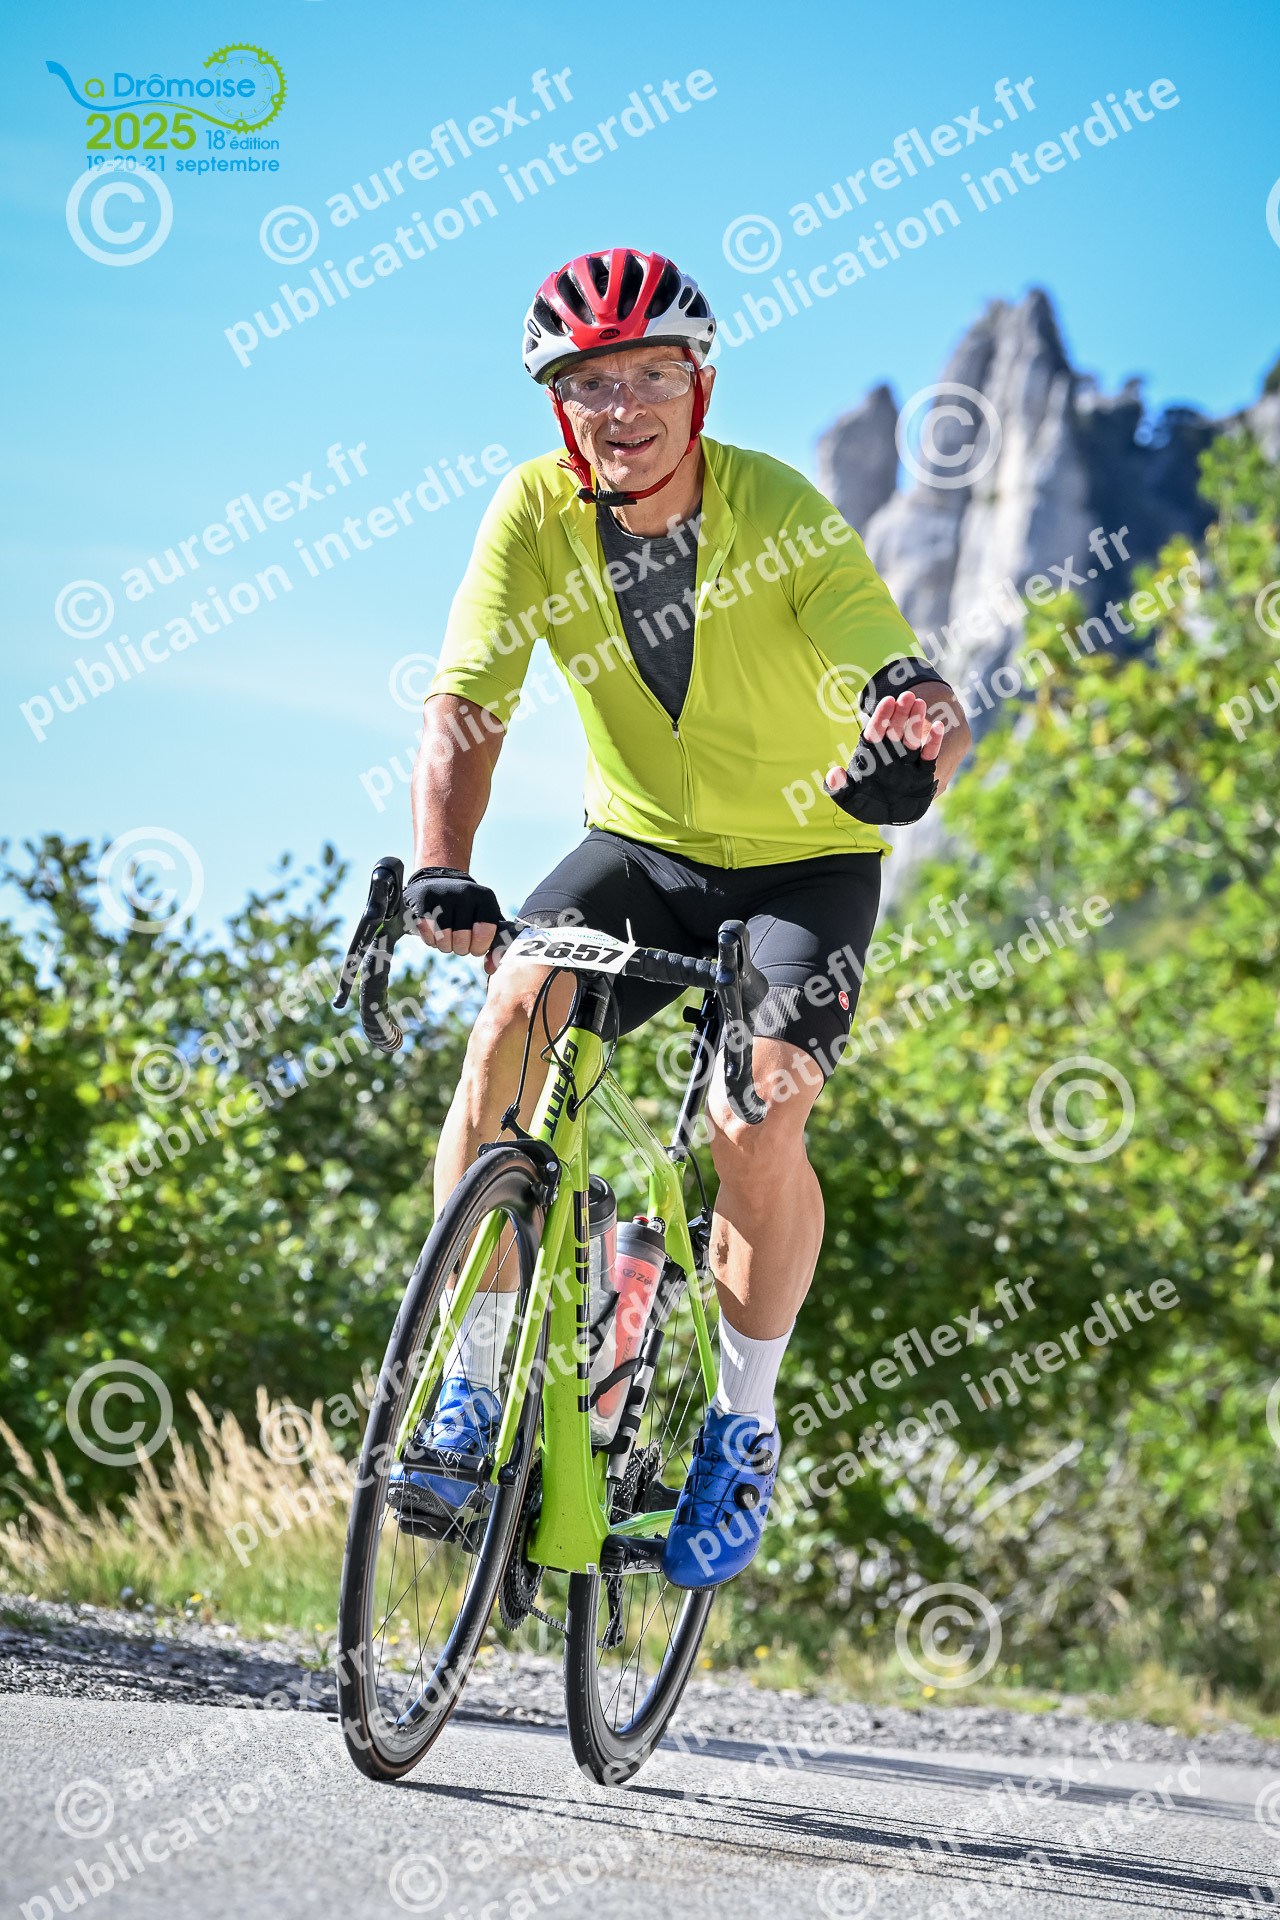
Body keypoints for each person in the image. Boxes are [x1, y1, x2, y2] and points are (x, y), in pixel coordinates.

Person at [393, 247, 970, 1587]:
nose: (625, 407)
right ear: (558, 405)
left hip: (808, 867)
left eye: (653, 375)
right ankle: (470, 1383)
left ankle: (742, 1427)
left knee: (753, 1114)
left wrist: (917, 749)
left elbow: (910, 683)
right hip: (642, 853)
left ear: (699, 386)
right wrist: (440, 863)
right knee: (512, 1019)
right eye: (592, 383)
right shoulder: (533, 513)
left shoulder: (775, 507)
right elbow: (467, 701)